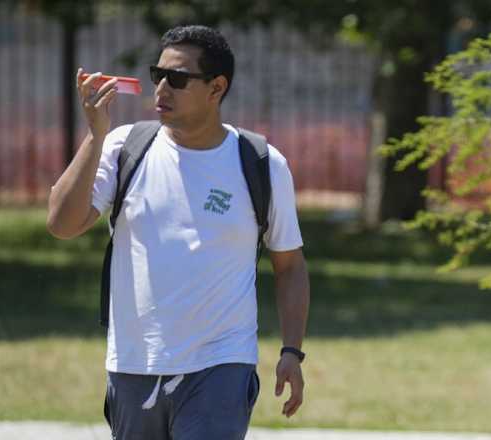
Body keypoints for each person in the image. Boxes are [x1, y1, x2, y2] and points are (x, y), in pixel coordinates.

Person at [46, 25, 311, 439]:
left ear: (216, 87)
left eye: (178, 78)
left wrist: (291, 352)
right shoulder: (123, 147)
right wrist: (95, 136)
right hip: (135, 363)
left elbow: (290, 266)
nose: (162, 88)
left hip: (221, 364)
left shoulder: (261, 163)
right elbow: (62, 224)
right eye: (158, 75)